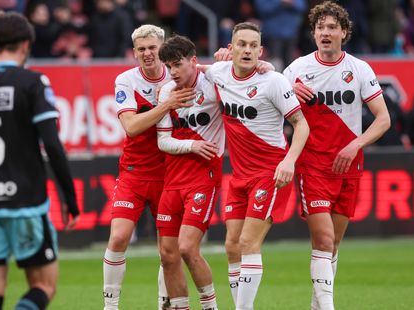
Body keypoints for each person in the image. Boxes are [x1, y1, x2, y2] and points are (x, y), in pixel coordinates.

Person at [0, 11, 80, 310]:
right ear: (25, 44)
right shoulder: (33, 83)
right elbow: (52, 144)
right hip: (25, 202)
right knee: (44, 285)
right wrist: (69, 198)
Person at [283, 2, 391, 309]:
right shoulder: (297, 70)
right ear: (314, 33)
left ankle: (318, 304)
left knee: (333, 245)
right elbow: (267, 99)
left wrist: (355, 144)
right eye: (320, 28)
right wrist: (288, 89)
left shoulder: (359, 69)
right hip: (312, 165)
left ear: (344, 32)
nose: (325, 33)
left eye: (332, 27)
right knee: (324, 240)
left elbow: (383, 119)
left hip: (348, 165)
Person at [206, 22, 310, 310]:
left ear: (260, 51)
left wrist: (289, 161)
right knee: (231, 246)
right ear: (231, 48)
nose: (248, 50)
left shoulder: (273, 81)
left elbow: (301, 125)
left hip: (270, 173)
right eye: (242, 44)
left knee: (248, 243)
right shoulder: (219, 72)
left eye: (253, 45)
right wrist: (211, 61)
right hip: (239, 176)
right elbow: (197, 71)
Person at [104, 24, 195, 310]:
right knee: (119, 237)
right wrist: (167, 105)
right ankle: (110, 305)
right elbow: (131, 127)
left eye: (152, 48)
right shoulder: (126, 80)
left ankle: (163, 304)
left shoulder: (178, 74)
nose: (147, 53)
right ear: (134, 52)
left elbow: (208, 71)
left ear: (162, 47)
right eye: (141, 49)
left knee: (168, 251)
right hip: (134, 171)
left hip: (170, 174)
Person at [155, 35, 224, 310]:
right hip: (172, 180)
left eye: (177, 65)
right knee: (167, 254)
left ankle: (210, 306)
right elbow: (163, 141)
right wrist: (192, 144)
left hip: (203, 177)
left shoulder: (214, 83)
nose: (173, 72)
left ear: (193, 61)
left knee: (186, 248)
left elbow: (251, 75)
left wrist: (262, 66)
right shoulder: (166, 92)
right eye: (169, 66)